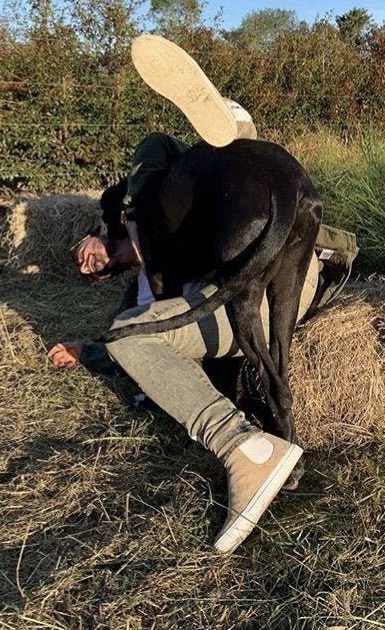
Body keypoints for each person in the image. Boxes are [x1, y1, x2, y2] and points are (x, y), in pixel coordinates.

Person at [47, 35, 356, 555]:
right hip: (281, 262)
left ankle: (244, 449)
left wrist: (118, 222)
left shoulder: (146, 219)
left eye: (92, 249)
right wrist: (90, 351)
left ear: (109, 226)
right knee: (139, 328)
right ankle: (232, 136)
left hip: (253, 261)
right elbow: (134, 338)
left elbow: (137, 333)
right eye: (94, 266)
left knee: (156, 160)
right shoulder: (150, 270)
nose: (92, 261)